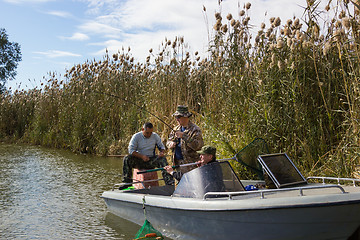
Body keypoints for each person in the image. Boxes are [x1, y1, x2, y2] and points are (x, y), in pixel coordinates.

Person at [121, 122, 173, 188]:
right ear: (143, 129)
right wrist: (142, 156)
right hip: (139, 160)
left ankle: (169, 182)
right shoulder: (136, 136)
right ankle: (127, 183)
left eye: (151, 132)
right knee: (127, 158)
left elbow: (162, 147)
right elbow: (131, 150)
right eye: (147, 133)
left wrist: (162, 152)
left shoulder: (155, 136)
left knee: (162, 160)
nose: (149, 135)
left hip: (151, 160)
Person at [166, 105, 204, 174]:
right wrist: (170, 144)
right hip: (178, 164)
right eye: (176, 117)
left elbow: (198, 146)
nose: (177, 119)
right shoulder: (175, 129)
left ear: (185, 116)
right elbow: (168, 142)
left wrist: (184, 136)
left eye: (179, 117)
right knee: (179, 183)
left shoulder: (195, 129)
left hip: (191, 165)